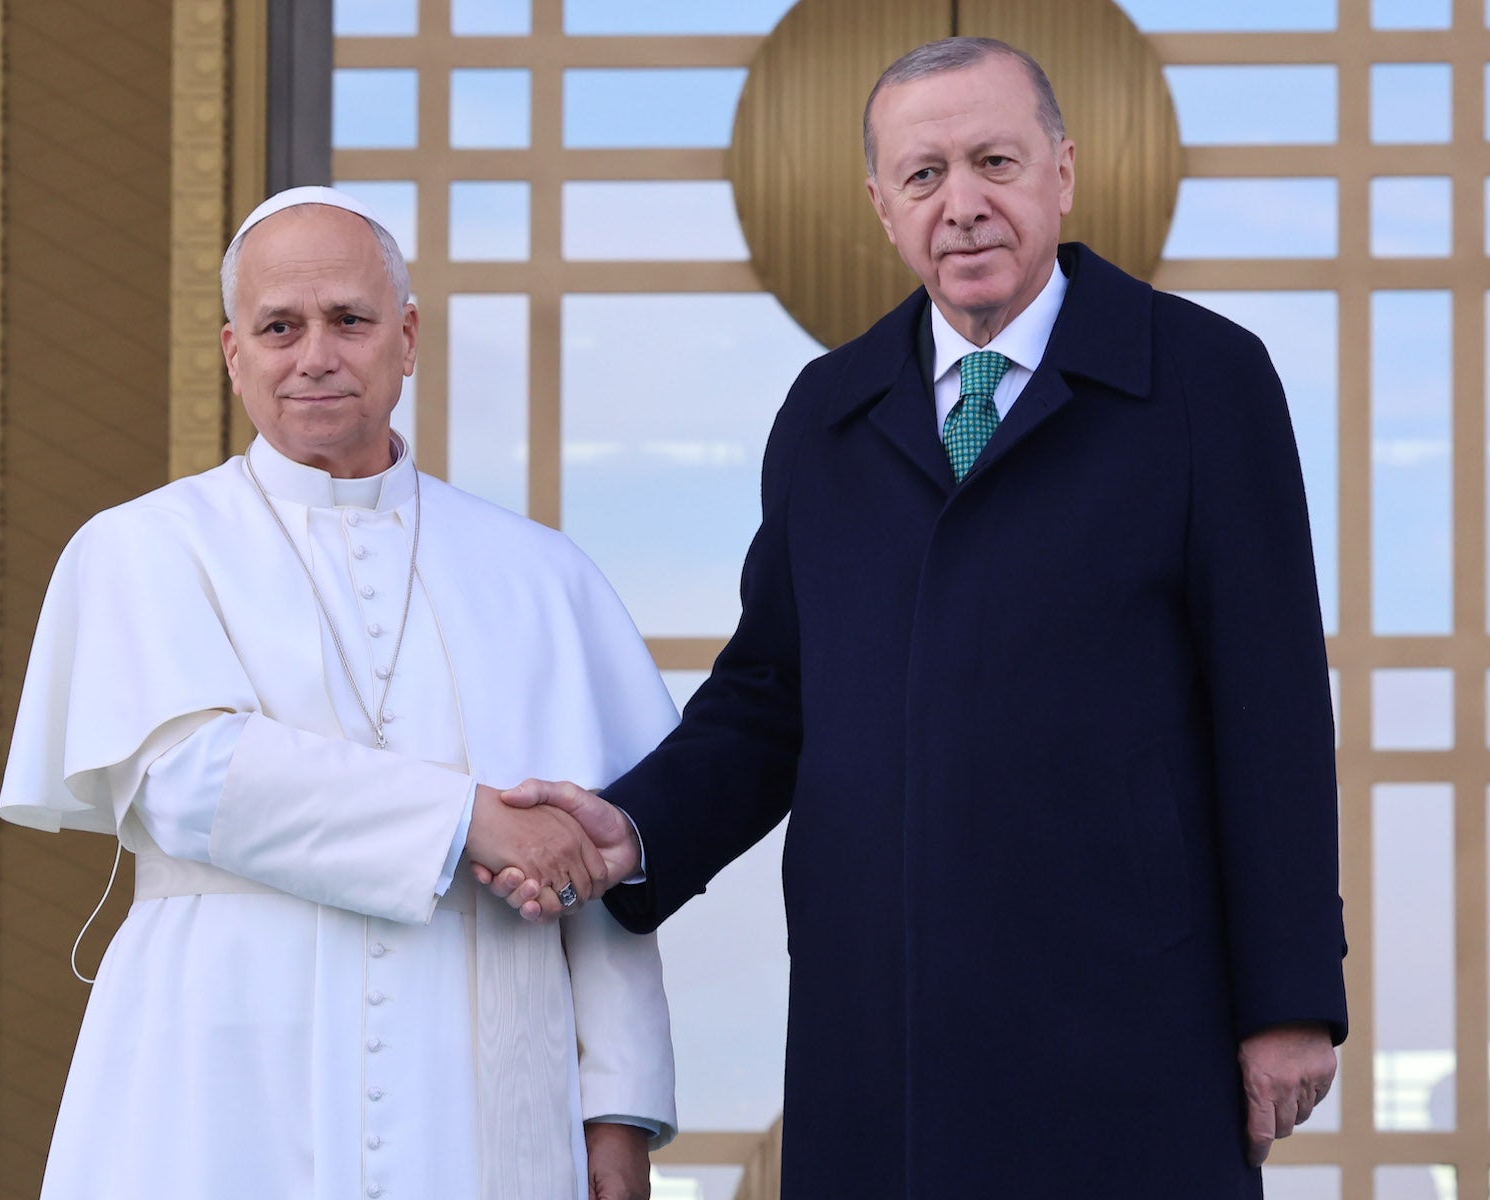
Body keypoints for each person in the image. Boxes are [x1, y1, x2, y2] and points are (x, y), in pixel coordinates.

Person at [480, 38, 1347, 1197]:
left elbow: (1272, 706)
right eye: (925, 175)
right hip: (880, 1021)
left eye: (996, 160)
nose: (964, 204)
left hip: (1131, 1014)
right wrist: (626, 832)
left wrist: (1289, 1000)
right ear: (880, 204)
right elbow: (770, 697)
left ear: (1063, 174)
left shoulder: (1205, 380)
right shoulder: (829, 411)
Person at [0, 186, 674, 1200]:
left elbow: (600, 867)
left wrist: (616, 1114)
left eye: (348, 321)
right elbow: (188, 777)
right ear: (235, 353)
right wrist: (466, 820)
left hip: (485, 1076)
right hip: (224, 1065)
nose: (314, 354)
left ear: (405, 338)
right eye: (280, 327)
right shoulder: (142, 549)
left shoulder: (541, 577)